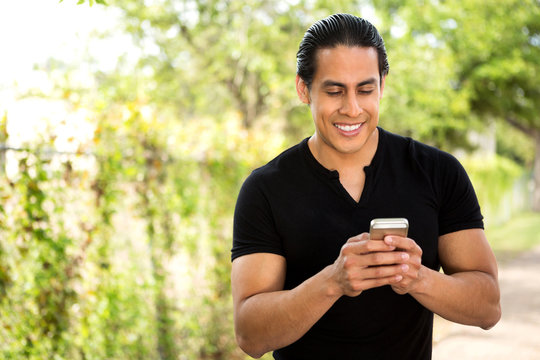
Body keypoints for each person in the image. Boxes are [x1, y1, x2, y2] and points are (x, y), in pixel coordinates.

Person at [230, 13, 501, 360]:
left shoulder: (438, 172)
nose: (352, 108)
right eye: (334, 91)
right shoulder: (265, 189)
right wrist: (333, 282)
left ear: (382, 86)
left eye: (365, 89)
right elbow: (250, 335)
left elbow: (488, 307)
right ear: (303, 89)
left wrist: (416, 277)